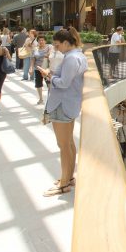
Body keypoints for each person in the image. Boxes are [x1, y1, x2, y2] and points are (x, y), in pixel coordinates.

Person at [36, 28, 87, 197]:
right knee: (69, 144)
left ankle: (64, 183)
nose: (56, 48)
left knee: (63, 146)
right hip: (69, 104)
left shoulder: (71, 58)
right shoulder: (78, 55)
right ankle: (68, 177)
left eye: (57, 45)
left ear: (66, 43)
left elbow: (64, 83)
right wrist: (53, 74)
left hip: (62, 104)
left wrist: (49, 77)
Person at [30, 35, 53, 105]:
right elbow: (33, 59)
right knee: (38, 84)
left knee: (49, 84)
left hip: (47, 69)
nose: (41, 41)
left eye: (43, 40)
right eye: (39, 40)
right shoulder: (35, 49)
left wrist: (47, 55)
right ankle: (41, 98)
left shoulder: (49, 47)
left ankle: (50, 99)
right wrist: (31, 68)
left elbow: (51, 54)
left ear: (45, 41)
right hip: (38, 69)